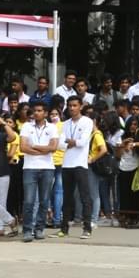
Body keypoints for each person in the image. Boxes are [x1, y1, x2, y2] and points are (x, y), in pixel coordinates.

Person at [19, 101, 58, 242]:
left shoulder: (52, 127)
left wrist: (34, 146)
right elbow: (23, 147)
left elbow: (53, 147)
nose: (36, 113)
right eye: (35, 110)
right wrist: (43, 150)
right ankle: (27, 230)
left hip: (47, 168)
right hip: (30, 167)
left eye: (40, 110)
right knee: (29, 201)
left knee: (44, 201)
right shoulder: (26, 126)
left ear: (45, 113)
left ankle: (39, 229)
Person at [57, 95, 94, 238]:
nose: (72, 108)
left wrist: (70, 142)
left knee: (85, 197)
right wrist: (72, 142)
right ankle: (64, 228)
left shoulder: (87, 121)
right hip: (67, 164)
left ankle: (87, 228)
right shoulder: (65, 123)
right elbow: (60, 144)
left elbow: (82, 142)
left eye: (75, 105)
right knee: (67, 197)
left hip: (80, 164)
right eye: (70, 105)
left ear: (80, 106)